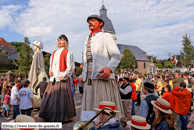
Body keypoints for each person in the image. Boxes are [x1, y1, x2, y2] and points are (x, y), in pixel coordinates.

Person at [81, 15, 124, 120]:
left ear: (101, 23)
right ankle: (90, 124)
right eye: (89, 21)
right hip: (89, 77)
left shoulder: (106, 36)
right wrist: (83, 74)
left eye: (93, 20)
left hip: (102, 76)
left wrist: (109, 68)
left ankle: (106, 125)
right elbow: (86, 60)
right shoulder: (87, 39)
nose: (90, 22)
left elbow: (117, 55)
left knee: (103, 102)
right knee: (89, 103)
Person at [39, 34, 76, 121]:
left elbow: (71, 66)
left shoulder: (68, 52)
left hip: (62, 77)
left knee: (62, 99)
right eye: (58, 40)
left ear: (66, 42)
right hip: (53, 78)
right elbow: (51, 65)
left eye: (62, 40)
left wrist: (66, 74)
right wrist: (50, 70)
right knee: (49, 98)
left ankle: (63, 118)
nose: (59, 41)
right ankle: (48, 116)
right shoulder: (54, 53)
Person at [28, 41, 48, 108]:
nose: (33, 47)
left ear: (37, 46)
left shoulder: (36, 53)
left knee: (37, 86)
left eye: (34, 45)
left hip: (39, 72)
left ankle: (37, 104)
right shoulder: (41, 53)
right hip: (43, 72)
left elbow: (35, 66)